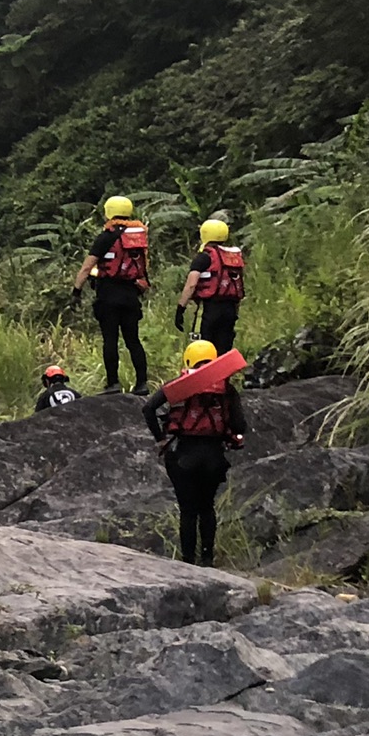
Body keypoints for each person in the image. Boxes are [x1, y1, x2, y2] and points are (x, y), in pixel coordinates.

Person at [146, 339, 247, 566]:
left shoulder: (179, 386)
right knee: (207, 507)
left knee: (188, 510)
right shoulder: (227, 390)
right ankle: (208, 559)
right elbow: (240, 425)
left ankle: (188, 561)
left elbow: (148, 409)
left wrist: (160, 439)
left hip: (184, 455)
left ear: (189, 360)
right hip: (214, 457)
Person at [71, 195, 150, 393]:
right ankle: (142, 383)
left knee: (110, 340)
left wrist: (76, 291)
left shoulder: (106, 237)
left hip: (108, 295)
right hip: (131, 295)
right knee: (133, 340)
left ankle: (113, 384)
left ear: (109, 212)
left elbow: (87, 267)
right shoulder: (138, 238)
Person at [176, 217, 246, 354]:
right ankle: (224, 369)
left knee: (202, 349)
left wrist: (181, 308)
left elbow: (191, 285)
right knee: (223, 350)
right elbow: (237, 286)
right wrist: (235, 312)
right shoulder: (233, 258)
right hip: (230, 310)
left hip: (209, 309)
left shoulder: (204, 257)